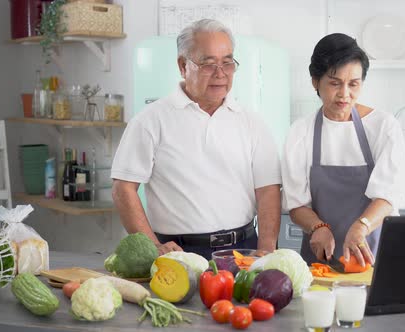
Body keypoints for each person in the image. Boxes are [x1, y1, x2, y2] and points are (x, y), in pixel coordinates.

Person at [111, 19, 281, 258]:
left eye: (228, 62)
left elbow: (268, 190)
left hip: (244, 249)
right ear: (183, 66)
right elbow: (123, 188)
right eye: (208, 64)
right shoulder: (150, 120)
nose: (220, 74)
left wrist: (266, 249)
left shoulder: (252, 122)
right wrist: (152, 246)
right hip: (178, 253)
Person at [281, 33, 405, 266]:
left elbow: (389, 195)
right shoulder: (301, 132)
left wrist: (361, 227)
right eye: (334, 83)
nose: (344, 94)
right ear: (315, 82)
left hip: (374, 256)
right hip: (320, 259)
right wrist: (317, 227)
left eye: (353, 84)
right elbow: (296, 204)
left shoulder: (383, 126)